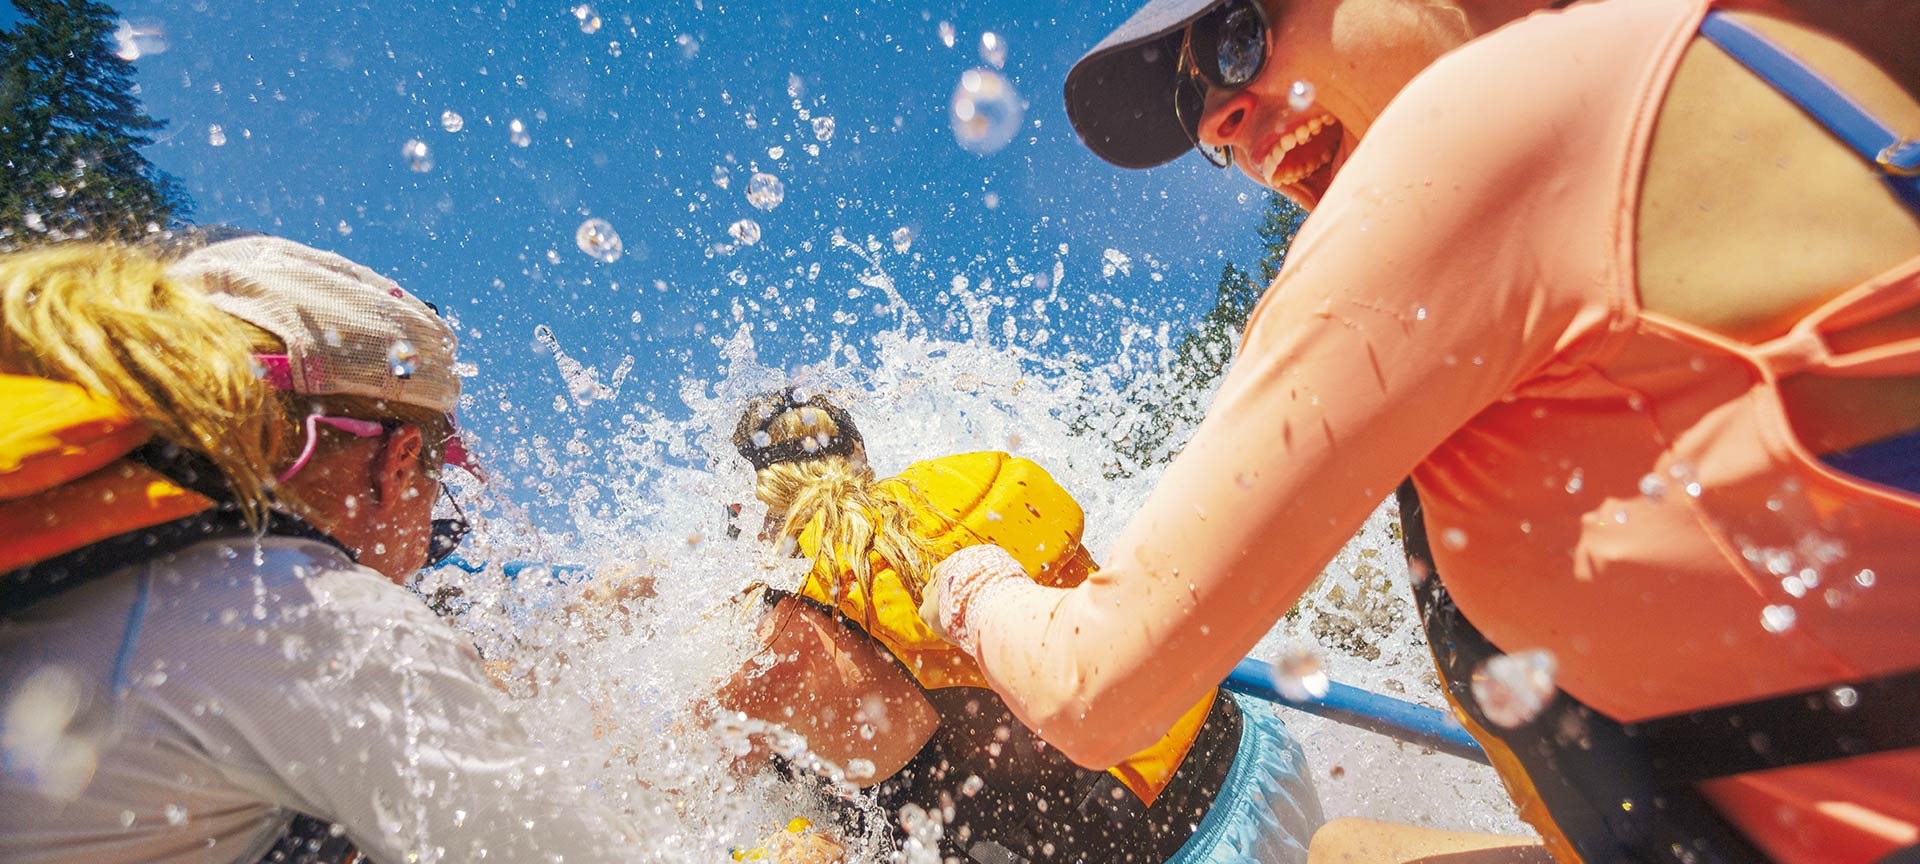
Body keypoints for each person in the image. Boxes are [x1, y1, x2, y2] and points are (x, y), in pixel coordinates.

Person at [914, 1, 1920, 862]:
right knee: (1349, 846)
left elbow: (1098, 686)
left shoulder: (1482, 129)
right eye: (1205, 123)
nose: (1224, 121)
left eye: (1235, 38)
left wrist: (972, 587)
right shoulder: (1756, 40)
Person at [0, 234, 637, 862]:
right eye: (440, 514)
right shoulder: (309, 616)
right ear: (398, 462)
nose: (427, 555)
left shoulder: (106, 557)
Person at [718, 390, 1323, 863]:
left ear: (753, 504)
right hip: (1254, 755)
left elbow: (694, 779)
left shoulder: (802, 624)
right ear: (858, 453)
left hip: (1157, 850)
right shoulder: (968, 479)